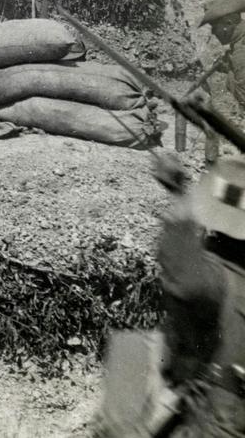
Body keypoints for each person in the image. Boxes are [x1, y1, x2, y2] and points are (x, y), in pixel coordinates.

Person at [99, 152, 245, 438]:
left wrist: (180, 194)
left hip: (214, 422)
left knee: (132, 353)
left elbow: (184, 275)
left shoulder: (220, 278)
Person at [199, 0, 245, 123]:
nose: (213, 33)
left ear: (228, 24)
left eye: (214, 28)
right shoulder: (238, 45)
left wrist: (231, 72)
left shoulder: (240, 53)